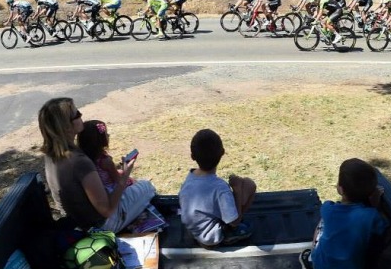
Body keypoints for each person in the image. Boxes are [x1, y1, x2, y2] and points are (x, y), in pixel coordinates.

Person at [38, 97, 156, 232]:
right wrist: (124, 178)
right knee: (147, 186)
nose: (81, 115)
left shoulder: (51, 154)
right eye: (77, 114)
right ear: (66, 126)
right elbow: (107, 210)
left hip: (74, 223)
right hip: (100, 226)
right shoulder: (80, 162)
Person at [298, 158, 387, 269]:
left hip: (321, 266)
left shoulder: (328, 209)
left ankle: (311, 259)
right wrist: (375, 204)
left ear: (340, 189)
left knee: (322, 223)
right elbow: (380, 228)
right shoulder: (371, 216)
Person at [179, 129, 257, 247]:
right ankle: (230, 234)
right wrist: (236, 189)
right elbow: (233, 221)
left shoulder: (191, 176)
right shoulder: (220, 188)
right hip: (211, 237)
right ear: (222, 152)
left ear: (192, 156)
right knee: (249, 185)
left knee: (239, 188)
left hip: (194, 229)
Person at [77, 119, 135, 192]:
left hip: (100, 191)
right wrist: (126, 168)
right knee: (144, 184)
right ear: (100, 139)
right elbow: (120, 181)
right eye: (106, 133)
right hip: (113, 193)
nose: (108, 135)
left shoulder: (84, 157)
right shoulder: (105, 161)